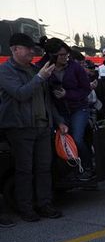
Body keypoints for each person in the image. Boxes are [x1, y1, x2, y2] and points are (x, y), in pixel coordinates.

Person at [0, 33, 66, 221]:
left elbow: (46, 100)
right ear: (15, 50)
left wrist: (59, 120)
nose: (32, 51)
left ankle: (44, 204)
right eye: (28, 48)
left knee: (44, 168)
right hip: (21, 128)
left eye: (33, 48)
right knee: (24, 170)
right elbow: (20, 94)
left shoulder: (35, 68)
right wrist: (39, 77)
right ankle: (26, 208)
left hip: (43, 127)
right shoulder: (5, 71)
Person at [39, 37, 94, 179]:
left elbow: (86, 89)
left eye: (66, 54)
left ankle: (88, 166)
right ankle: (69, 170)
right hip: (58, 111)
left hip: (78, 108)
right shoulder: (44, 68)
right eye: (61, 55)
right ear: (52, 56)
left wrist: (67, 94)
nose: (65, 57)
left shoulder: (75, 67)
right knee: (61, 140)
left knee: (77, 139)